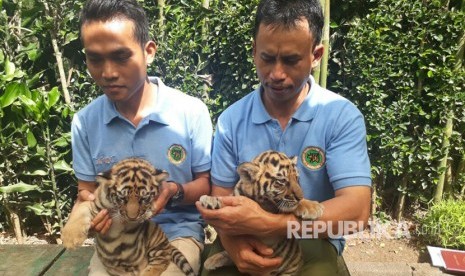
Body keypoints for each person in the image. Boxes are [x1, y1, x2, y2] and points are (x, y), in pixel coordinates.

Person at [196, 0, 372, 275]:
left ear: (316, 56)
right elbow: (219, 202)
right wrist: (233, 246)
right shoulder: (232, 120)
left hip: (312, 239)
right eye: (267, 58)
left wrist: (272, 223)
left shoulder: (340, 116)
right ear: (254, 52)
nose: (276, 74)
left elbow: (357, 216)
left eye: (291, 60)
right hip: (242, 236)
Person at [70, 0, 212, 275]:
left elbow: (206, 186)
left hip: (175, 235)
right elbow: (85, 194)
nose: (107, 72)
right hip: (116, 240)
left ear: (149, 51)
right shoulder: (85, 122)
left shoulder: (191, 112)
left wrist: (174, 191)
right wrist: (88, 219)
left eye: (121, 56)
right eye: (95, 59)